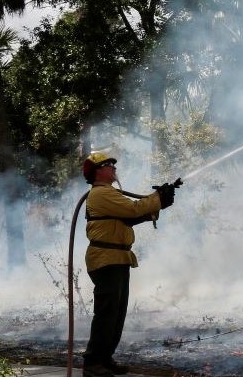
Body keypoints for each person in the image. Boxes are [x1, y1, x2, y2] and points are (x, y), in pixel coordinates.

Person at [80, 152, 175, 377]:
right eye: (108, 164)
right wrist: (157, 198)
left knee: (117, 313)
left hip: (117, 258)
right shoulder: (101, 193)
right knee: (106, 313)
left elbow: (130, 218)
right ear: (97, 171)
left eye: (113, 164)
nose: (113, 167)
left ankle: (105, 359)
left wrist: (159, 204)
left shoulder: (109, 193)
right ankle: (92, 363)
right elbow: (132, 210)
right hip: (106, 258)